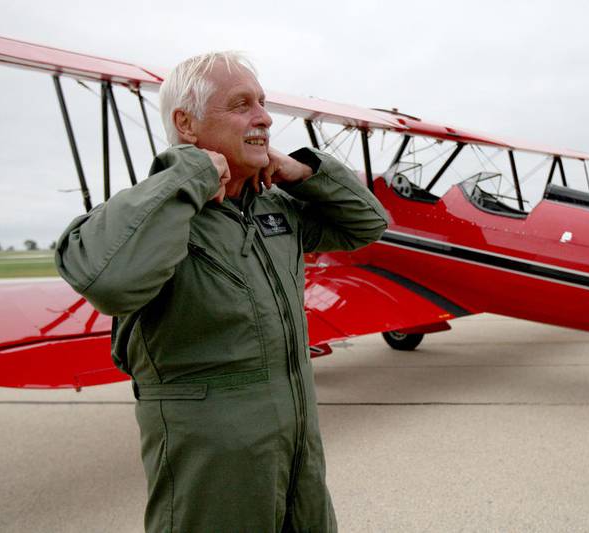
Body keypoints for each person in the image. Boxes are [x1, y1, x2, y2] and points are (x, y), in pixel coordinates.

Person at [55, 51, 388, 532]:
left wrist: (305, 172)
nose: (265, 117)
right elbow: (108, 280)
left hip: (298, 457)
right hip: (216, 474)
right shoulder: (155, 218)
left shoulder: (275, 208)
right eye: (242, 104)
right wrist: (192, 174)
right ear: (186, 124)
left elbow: (366, 224)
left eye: (263, 102)